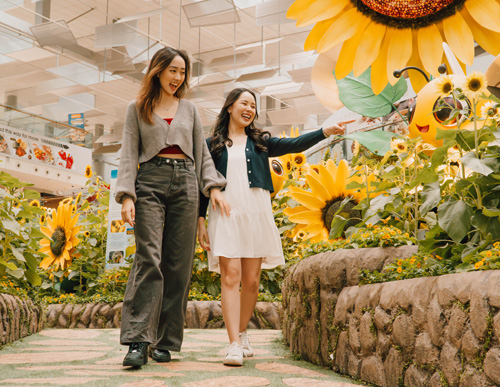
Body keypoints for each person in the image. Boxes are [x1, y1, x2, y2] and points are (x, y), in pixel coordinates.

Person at [197, 87, 352, 366]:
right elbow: (202, 183)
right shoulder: (212, 145)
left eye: (253, 106)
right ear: (230, 107)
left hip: (256, 211)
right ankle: (233, 344)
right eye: (244, 103)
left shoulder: (261, 142)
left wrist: (325, 131)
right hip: (226, 212)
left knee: (252, 281)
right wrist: (200, 220)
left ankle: (243, 332)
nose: (249, 109)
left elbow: (295, 143)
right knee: (230, 277)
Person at [115, 47, 229, 367]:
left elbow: (202, 155)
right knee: (148, 258)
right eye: (173, 71)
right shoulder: (136, 108)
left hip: (186, 185)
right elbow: (127, 154)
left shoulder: (190, 109)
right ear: (158, 71)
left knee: (178, 265)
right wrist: (126, 195)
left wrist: (214, 187)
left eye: (182, 73)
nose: (178, 78)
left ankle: (165, 341)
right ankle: (138, 340)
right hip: (149, 182)